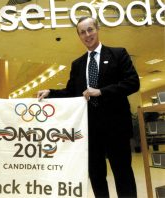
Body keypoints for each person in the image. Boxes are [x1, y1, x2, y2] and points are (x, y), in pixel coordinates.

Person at [37, 16, 139, 197]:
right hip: (90, 130)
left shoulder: (118, 54)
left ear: (97, 29)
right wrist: (50, 92)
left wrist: (101, 91)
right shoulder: (77, 64)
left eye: (90, 30)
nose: (87, 35)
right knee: (96, 175)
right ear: (79, 36)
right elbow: (71, 92)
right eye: (82, 32)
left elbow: (132, 83)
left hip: (117, 128)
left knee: (122, 173)